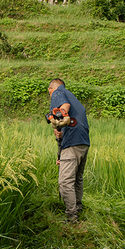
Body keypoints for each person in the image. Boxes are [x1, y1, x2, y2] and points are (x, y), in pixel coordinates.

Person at [46, 78, 89, 223]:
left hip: (72, 144)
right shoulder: (73, 97)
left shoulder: (58, 92)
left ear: (50, 90)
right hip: (83, 142)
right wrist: (60, 130)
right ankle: (78, 208)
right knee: (77, 179)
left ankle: (71, 217)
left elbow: (64, 107)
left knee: (65, 182)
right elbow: (72, 121)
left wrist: (60, 116)